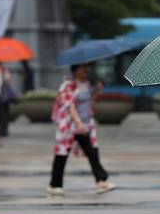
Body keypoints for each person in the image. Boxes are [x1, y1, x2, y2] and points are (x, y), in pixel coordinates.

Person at [47, 63, 115, 196]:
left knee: (92, 152)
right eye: (83, 68)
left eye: (86, 68)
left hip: (85, 124)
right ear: (75, 70)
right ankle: (55, 185)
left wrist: (96, 93)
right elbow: (69, 106)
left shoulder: (87, 84)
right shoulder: (68, 86)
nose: (85, 71)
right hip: (69, 125)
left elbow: (90, 105)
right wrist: (78, 123)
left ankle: (101, 180)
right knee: (62, 154)